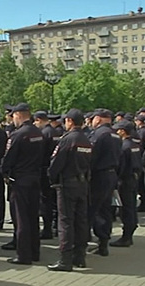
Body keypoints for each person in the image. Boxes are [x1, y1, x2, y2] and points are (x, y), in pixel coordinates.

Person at [47, 109, 92, 271]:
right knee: (81, 220)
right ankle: (80, 257)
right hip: (82, 184)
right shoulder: (86, 139)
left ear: (70, 121)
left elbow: (56, 163)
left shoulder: (68, 139)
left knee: (65, 221)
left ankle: (65, 260)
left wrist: (52, 179)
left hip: (67, 184)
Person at [1, 103, 43, 265]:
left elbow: (8, 159)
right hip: (35, 178)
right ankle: (34, 252)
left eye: (13, 116)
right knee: (32, 216)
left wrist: (4, 172)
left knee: (21, 218)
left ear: (18, 115)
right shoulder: (38, 132)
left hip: (20, 180)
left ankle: (23, 255)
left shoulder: (18, 135)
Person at [87, 108, 121, 257]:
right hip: (112, 174)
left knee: (93, 210)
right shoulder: (115, 135)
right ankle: (104, 243)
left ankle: (90, 242)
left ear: (98, 119)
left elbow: (91, 157)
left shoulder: (99, 135)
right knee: (106, 210)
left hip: (98, 176)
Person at [110, 120, 142, 247]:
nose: (116, 132)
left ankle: (126, 237)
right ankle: (129, 233)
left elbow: (121, 167)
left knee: (125, 209)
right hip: (133, 179)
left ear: (123, 131)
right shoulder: (134, 145)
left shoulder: (124, 147)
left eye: (118, 130)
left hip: (125, 181)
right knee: (131, 207)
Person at [33, 110, 59, 240]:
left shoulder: (44, 133)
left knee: (45, 201)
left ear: (39, 120)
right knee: (52, 200)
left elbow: (40, 153)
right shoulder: (55, 132)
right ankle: (54, 226)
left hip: (44, 169)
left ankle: (47, 229)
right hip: (53, 169)